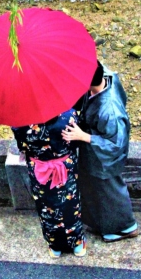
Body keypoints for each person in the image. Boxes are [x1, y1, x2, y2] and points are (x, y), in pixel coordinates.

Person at [62, 61, 139, 243]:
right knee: (98, 192)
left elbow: (115, 145)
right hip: (95, 152)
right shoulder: (107, 76)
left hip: (105, 158)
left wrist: (84, 136)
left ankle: (125, 227)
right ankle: (103, 224)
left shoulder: (109, 111)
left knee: (110, 193)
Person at [12, 107, 87, 258]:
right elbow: (75, 142)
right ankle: (77, 244)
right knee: (70, 204)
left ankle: (55, 247)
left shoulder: (19, 121)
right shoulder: (68, 115)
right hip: (65, 167)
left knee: (46, 207)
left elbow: (22, 146)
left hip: (39, 170)